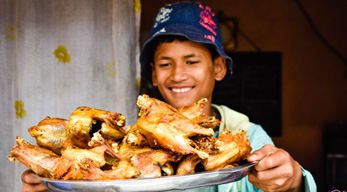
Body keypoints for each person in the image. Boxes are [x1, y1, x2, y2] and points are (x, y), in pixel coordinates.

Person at [21, 1, 317, 192]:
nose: (177, 74)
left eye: (191, 61)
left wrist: (293, 182)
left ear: (218, 68)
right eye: (165, 63)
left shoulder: (249, 136)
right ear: (153, 74)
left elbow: (282, 182)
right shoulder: (125, 142)